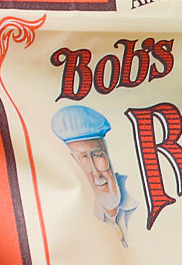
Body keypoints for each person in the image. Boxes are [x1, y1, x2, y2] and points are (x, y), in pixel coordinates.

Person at [51, 105, 135, 245]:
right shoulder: (75, 221)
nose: (96, 173)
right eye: (83, 158)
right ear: (75, 162)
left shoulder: (139, 195)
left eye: (97, 155)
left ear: (107, 153)